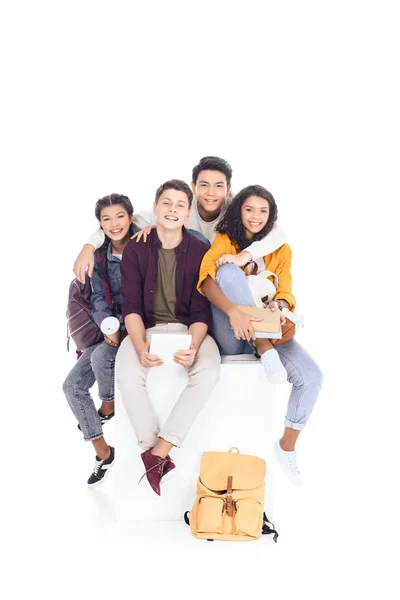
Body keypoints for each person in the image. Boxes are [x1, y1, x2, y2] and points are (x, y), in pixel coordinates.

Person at [198, 185, 323, 486]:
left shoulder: (282, 248)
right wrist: (234, 312)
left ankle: (286, 447)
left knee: (312, 377)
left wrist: (280, 306)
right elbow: (206, 279)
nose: (256, 216)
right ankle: (264, 348)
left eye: (263, 211)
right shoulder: (226, 240)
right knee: (227, 271)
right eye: (249, 209)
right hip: (232, 333)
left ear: (271, 215)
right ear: (239, 209)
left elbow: (286, 290)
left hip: (268, 327)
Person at [115, 179, 220, 496]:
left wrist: (192, 346)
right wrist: (139, 345)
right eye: (167, 203)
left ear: (188, 212)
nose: (172, 210)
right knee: (127, 371)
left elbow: (202, 312)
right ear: (155, 207)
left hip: (189, 330)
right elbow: (131, 306)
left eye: (179, 205)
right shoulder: (136, 246)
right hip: (146, 327)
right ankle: (152, 450)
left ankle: (161, 450)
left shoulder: (201, 249)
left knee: (209, 371)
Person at [72, 156, 287, 283]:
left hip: (221, 277)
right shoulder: (179, 207)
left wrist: (244, 256)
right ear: (193, 186)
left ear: (228, 188)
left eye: (218, 186)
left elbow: (279, 233)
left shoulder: (236, 208)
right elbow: (122, 221)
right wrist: (89, 246)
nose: (211, 193)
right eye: (204, 185)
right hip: (185, 280)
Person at [63, 193, 137, 488]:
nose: (114, 224)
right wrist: (108, 327)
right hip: (108, 324)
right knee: (72, 386)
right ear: (100, 225)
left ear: (131, 218)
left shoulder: (144, 246)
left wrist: (125, 327)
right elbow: (96, 296)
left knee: (101, 358)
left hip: (140, 324)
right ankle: (103, 453)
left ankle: (108, 406)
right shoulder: (97, 255)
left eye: (120, 216)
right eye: (106, 219)